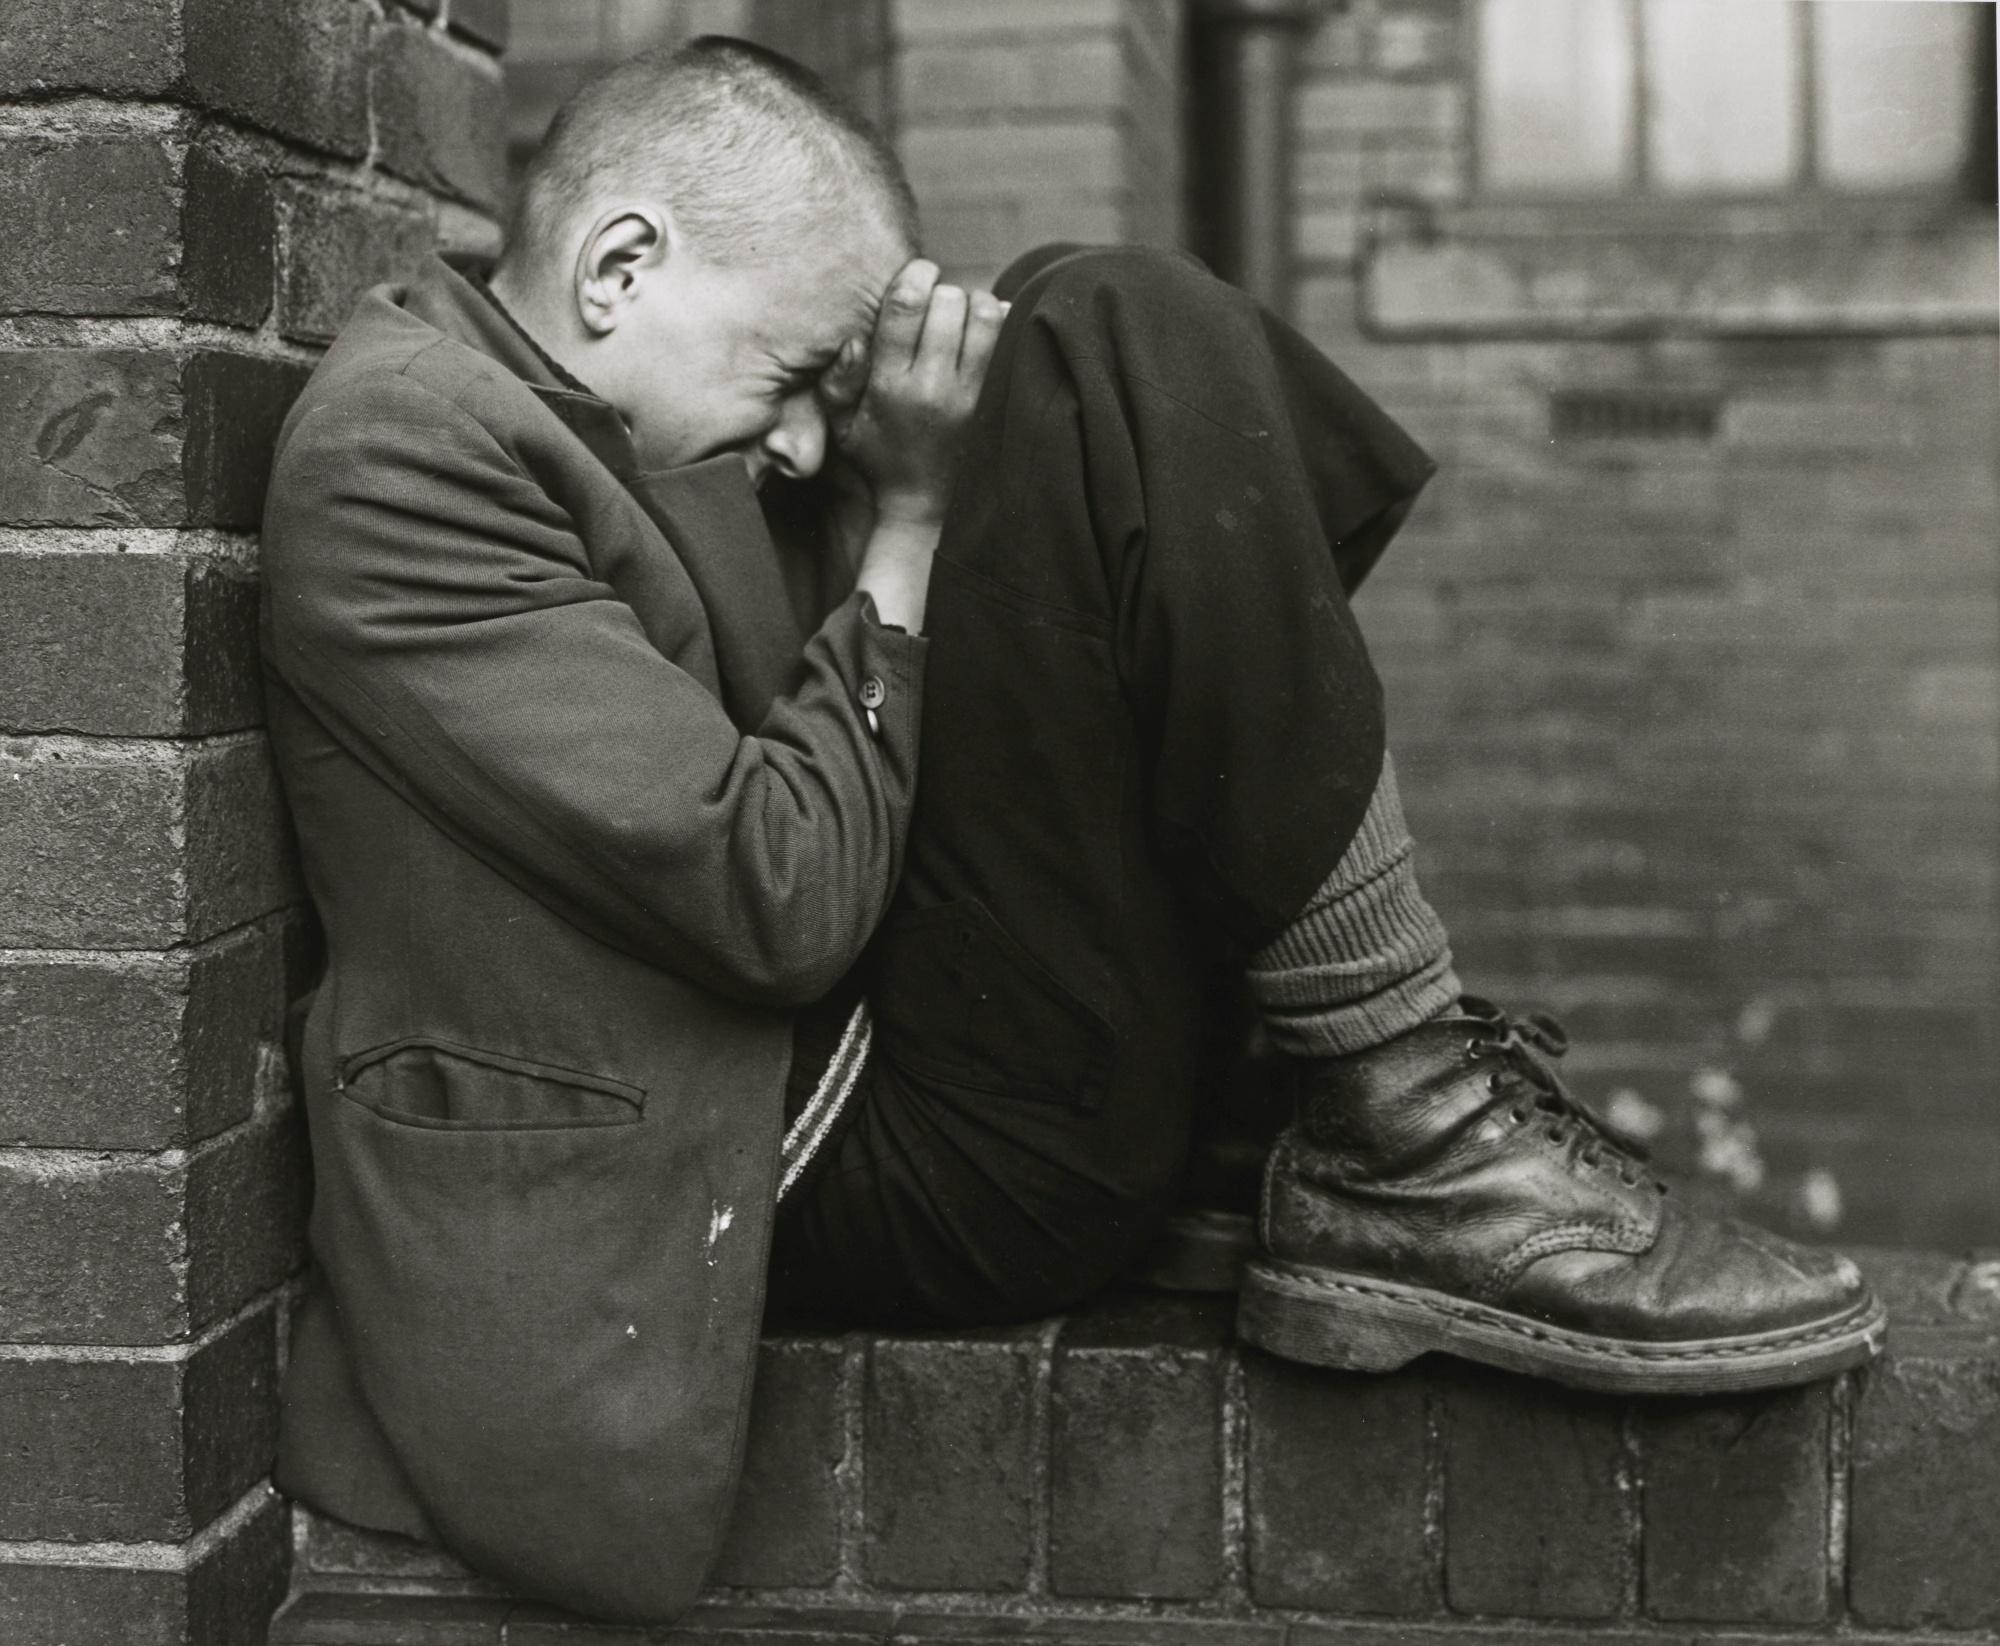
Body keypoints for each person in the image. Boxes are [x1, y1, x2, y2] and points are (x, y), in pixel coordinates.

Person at [259, 36, 1885, 1626]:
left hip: (867, 1072)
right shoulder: (410, 449)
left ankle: (1386, 1100)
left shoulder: (602, 415)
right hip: (750, 1169)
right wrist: (906, 522)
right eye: (797, 378)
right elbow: (775, 888)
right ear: (619, 268)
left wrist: (944, 473)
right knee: (1103, 327)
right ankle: (1415, 1125)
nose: (807, 440)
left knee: (1070, 321)